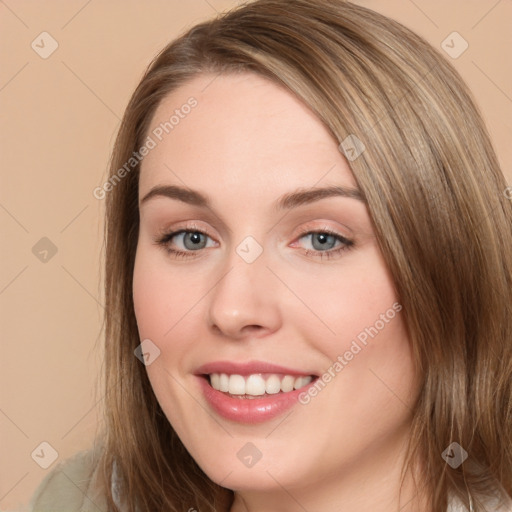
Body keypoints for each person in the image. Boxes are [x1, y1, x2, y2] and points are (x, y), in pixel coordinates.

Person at [29, 0, 512, 511]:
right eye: (190, 237)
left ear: (450, 268)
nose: (233, 310)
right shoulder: (75, 499)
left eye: (322, 239)